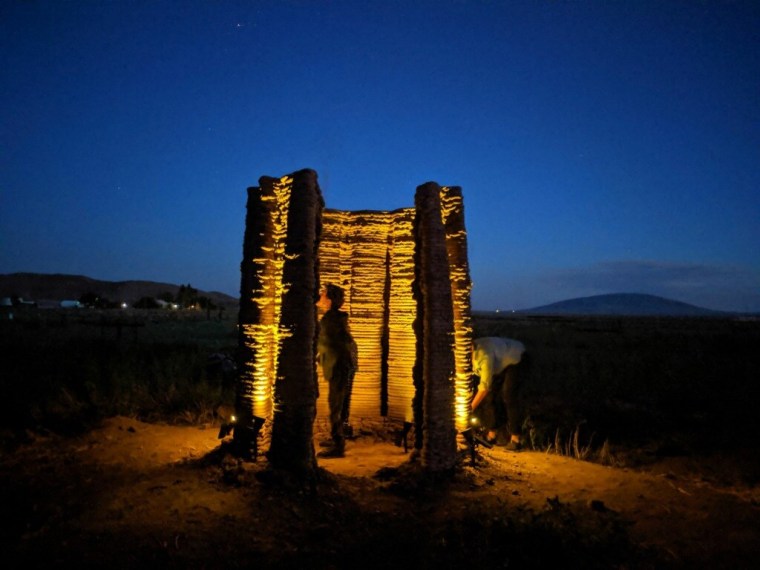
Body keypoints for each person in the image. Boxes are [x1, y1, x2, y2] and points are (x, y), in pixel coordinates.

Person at [315, 284, 358, 458]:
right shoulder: (334, 319)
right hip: (342, 365)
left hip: (339, 366)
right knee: (339, 404)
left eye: (323, 294)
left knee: (336, 405)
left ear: (330, 299)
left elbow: (330, 344)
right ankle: (336, 437)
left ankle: (338, 444)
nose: (320, 296)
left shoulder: (330, 320)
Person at [470, 337, 529, 451]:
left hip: (517, 357)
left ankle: (516, 439)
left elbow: (484, 387)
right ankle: (492, 435)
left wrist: (470, 408)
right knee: (491, 397)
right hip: (500, 362)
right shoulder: (462, 355)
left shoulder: (484, 356)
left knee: (508, 395)